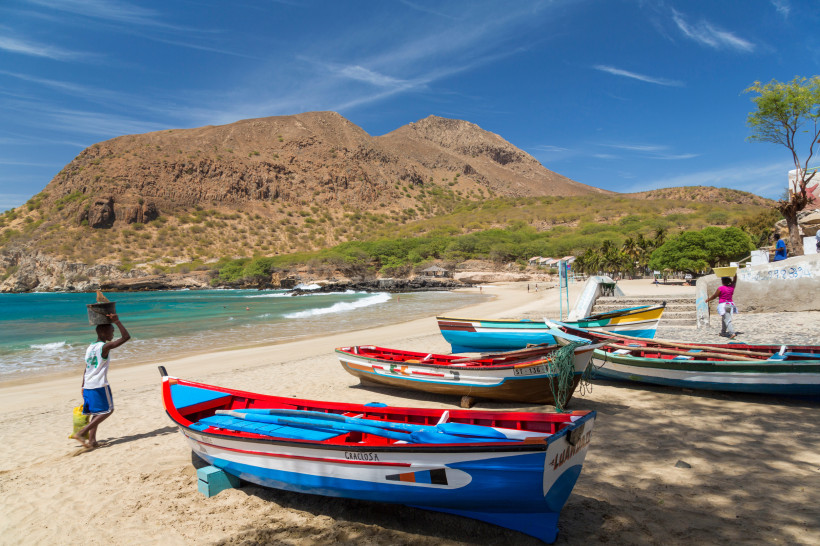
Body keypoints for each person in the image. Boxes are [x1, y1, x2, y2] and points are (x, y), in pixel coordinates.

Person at [71, 313, 130, 448]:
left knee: (97, 412)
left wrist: (82, 385)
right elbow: (126, 337)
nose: (113, 334)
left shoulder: (90, 347)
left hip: (88, 385)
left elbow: (86, 367)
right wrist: (117, 321)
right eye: (111, 331)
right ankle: (82, 432)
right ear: (103, 332)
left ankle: (92, 441)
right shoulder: (104, 347)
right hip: (99, 385)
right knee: (108, 410)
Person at [705, 274, 738, 339]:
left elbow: (715, 296)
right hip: (730, 305)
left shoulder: (721, 288)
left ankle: (732, 333)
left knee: (727, 320)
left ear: (723, 281)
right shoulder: (732, 287)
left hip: (723, 305)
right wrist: (734, 274)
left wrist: (708, 300)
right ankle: (723, 332)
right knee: (724, 319)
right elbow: (735, 280)